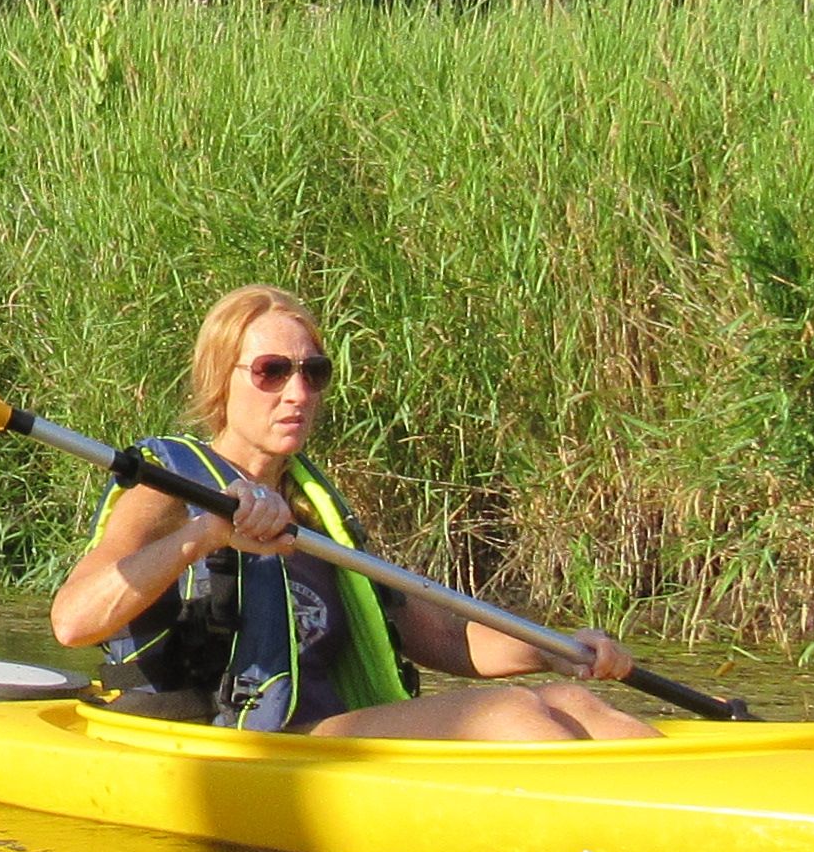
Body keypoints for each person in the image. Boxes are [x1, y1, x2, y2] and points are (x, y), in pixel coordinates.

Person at [48, 284, 654, 742]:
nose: (298, 393)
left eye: (313, 373)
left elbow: (443, 635)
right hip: (244, 747)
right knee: (510, 713)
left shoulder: (316, 509)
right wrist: (207, 534)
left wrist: (554, 649)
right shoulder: (171, 487)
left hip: (330, 739)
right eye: (272, 372)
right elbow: (74, 622)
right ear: (220, 380)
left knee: (573, 704)